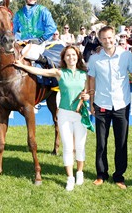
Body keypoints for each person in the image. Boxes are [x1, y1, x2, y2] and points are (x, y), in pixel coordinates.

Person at [14, 45, 90, 191]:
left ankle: (80, 172)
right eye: (67, 55)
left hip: (80, 114)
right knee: (68, 147)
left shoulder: (84, 74)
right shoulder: (59, 72)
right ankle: (70, 178)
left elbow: (87, 92)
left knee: (79, 146)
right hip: (64, 115)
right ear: (63, 58)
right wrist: (22, 66)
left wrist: (87, 96)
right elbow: (39, 70)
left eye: (73, 55)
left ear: (78, 56)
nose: (71, 58)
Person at [88, 26, 132, 190]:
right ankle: (101, 174)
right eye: (104, 38)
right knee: (101, 142)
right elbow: (91, 80)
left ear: (114, 37)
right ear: (99, 39)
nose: (107, 41)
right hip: (101, 104)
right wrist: (91, 102)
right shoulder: (94, 59)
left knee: (121, 142)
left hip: (122, 105)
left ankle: (119, 176)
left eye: (110, 37)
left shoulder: (126, 55)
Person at [13, 0, 57, 65]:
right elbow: (12, 30)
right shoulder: (18, 14)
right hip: (23, 42)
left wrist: (40, 39)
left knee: (27, 52)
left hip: (39, 43)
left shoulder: (43, 10)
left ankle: (46, 62)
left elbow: (52, 27)